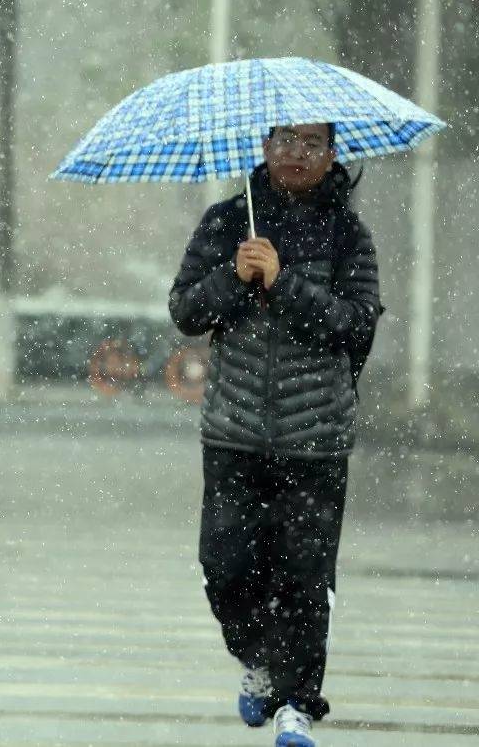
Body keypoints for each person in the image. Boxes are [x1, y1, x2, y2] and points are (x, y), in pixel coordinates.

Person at [169, 123, 380, 747]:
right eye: (285, 141)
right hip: (233, 433)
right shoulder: (226, 221)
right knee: (225, 567)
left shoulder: (348, 234)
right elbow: (185, 311)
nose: (296, 154)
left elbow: (355, 325)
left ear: (332, 154)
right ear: (263, 147)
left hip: (314, 439)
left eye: (312, 144)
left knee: (303, 577)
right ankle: (256, 658)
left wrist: (283, 281)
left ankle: (296, 703)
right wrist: (234, 277)